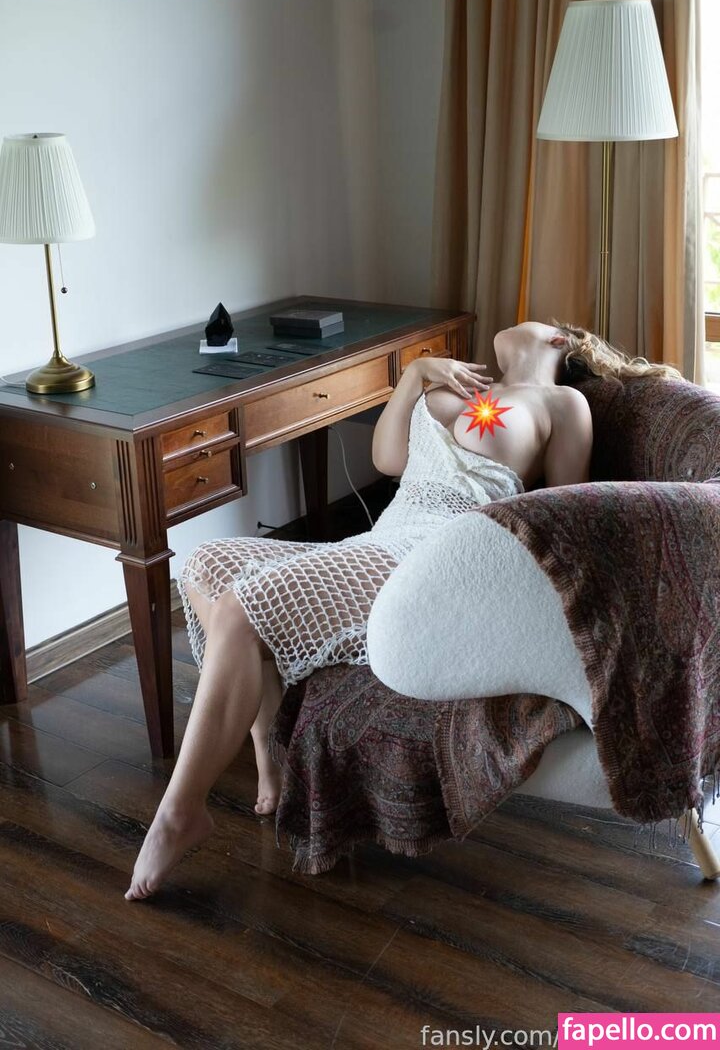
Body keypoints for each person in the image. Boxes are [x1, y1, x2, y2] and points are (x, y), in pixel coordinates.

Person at [124, 319, 684, 900]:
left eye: (536, 319)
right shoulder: (456, 386)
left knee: (244, 609)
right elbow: (389, 459)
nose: (518, 319)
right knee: (207, 564)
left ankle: (179, 812)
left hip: (438, 555)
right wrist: (414, 376)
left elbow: (564, 515)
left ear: (559, 340)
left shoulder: (562, 404)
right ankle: (267, 745)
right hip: (383, 540)